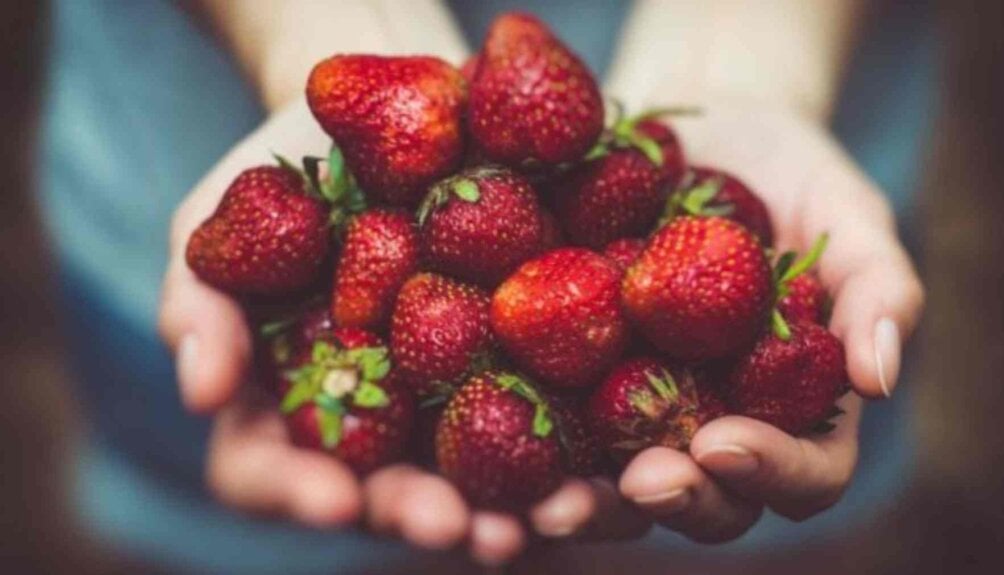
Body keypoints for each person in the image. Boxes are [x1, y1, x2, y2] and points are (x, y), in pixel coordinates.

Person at [39, 0, 927, 572]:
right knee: (220, 540)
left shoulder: (599, 263)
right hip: (182, 115)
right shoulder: (405, 245)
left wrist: (748, 58)